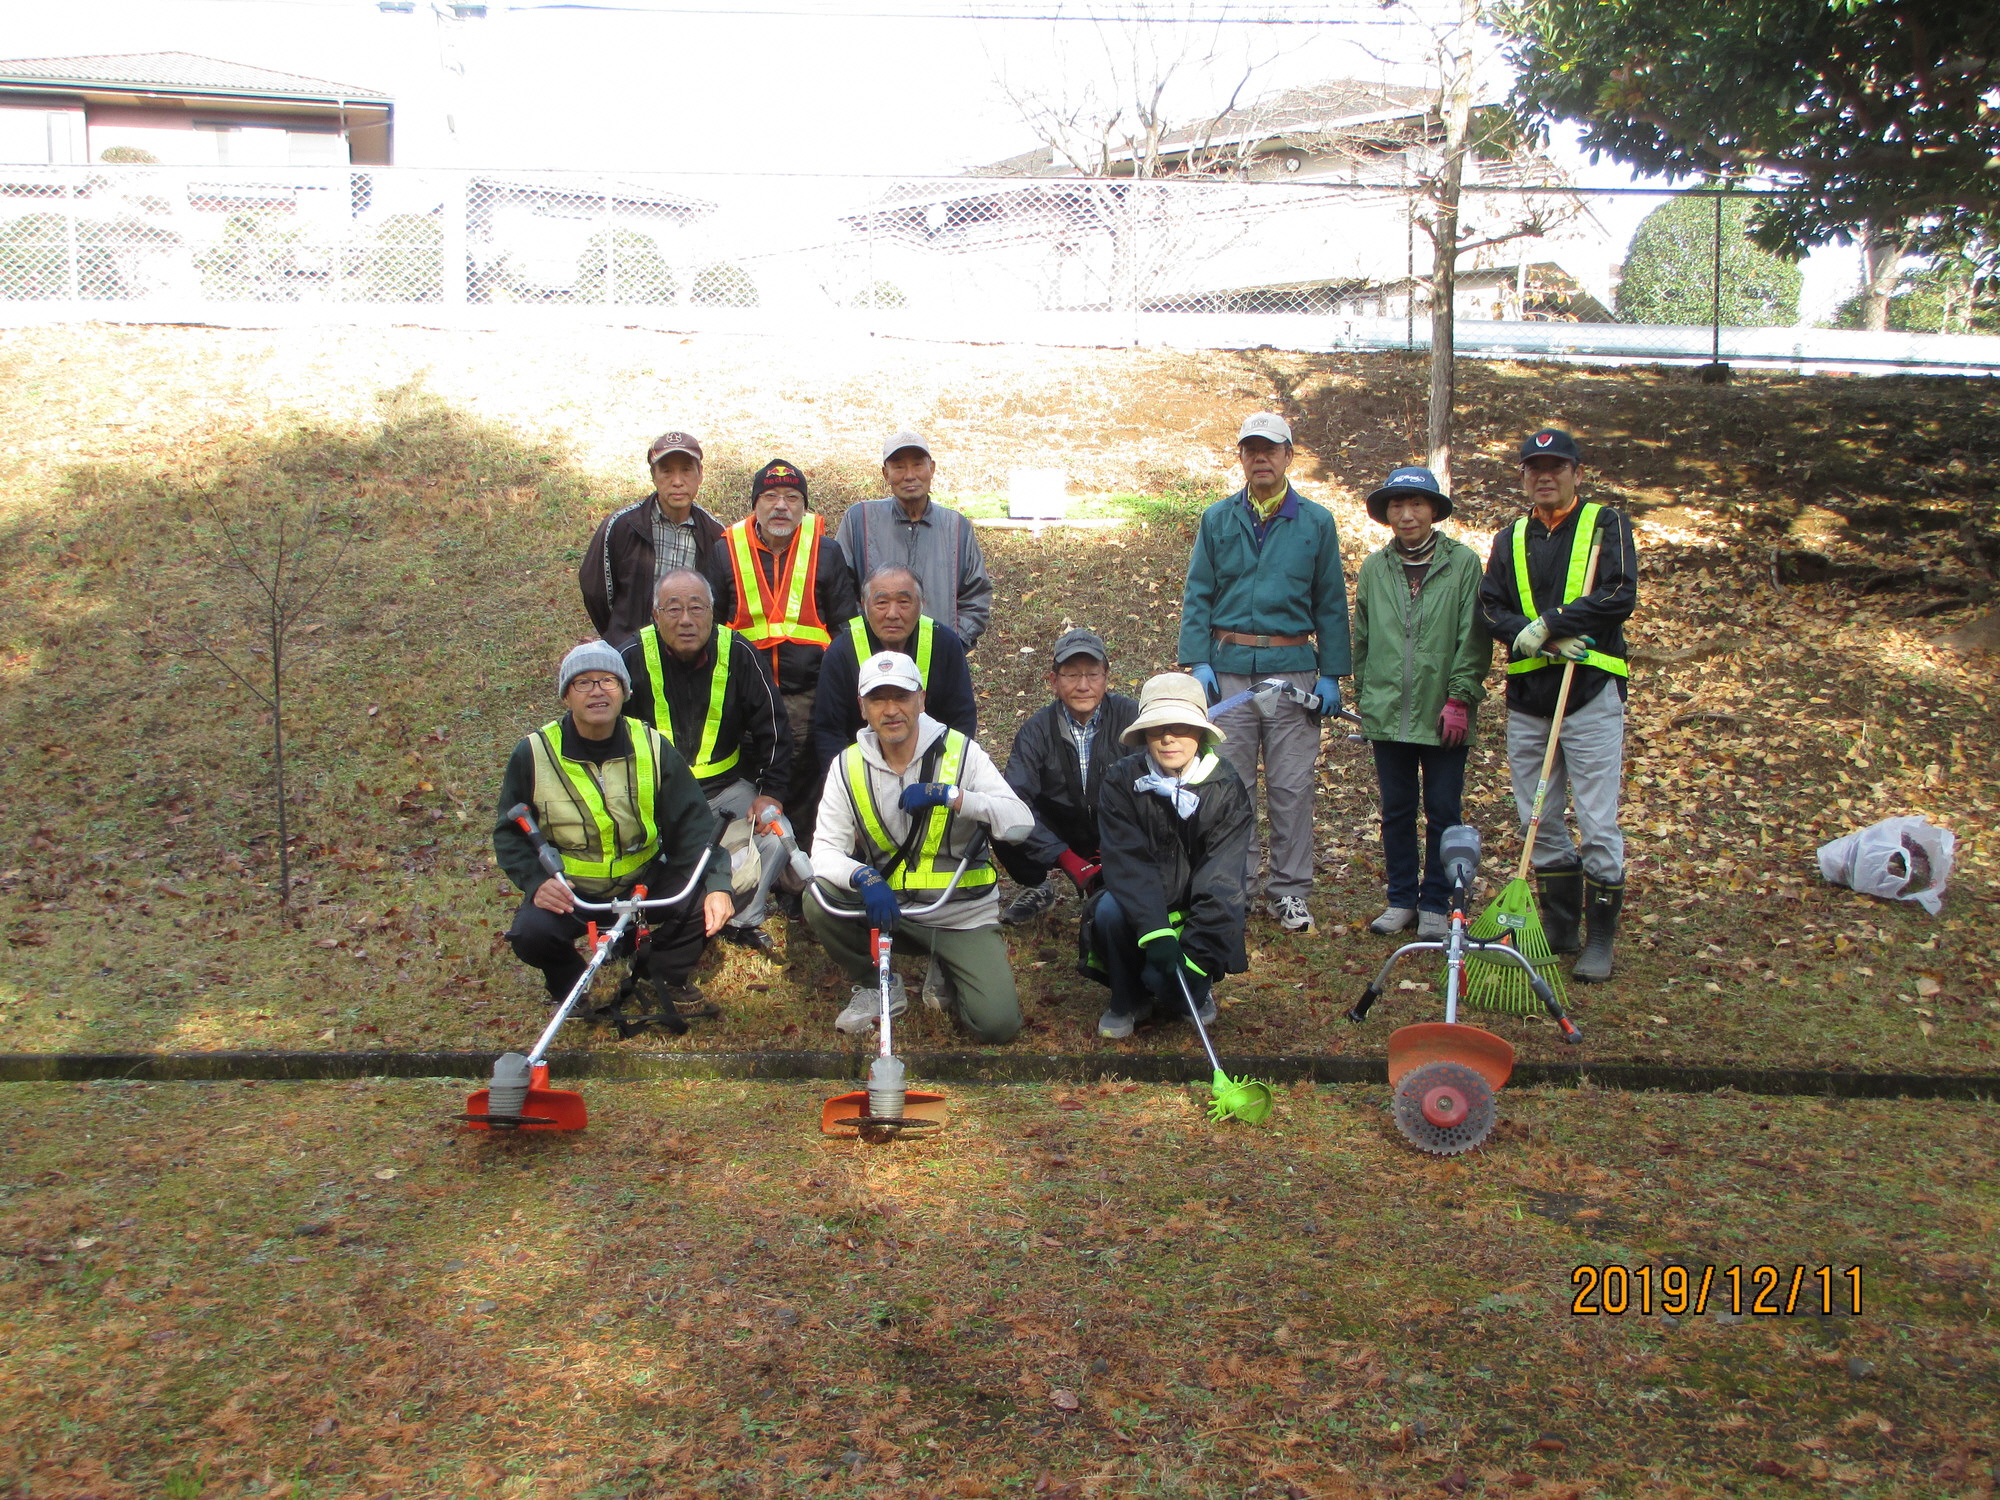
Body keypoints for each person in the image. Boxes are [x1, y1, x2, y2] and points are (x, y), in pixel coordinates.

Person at [493, 642, 734, 1027]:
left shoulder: (653, 746)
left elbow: (694, 826)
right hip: (571, 887)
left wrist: (719, 884)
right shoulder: (534, 753)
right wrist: (538, 882)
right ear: (566, 695)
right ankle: (569, 988)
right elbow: (510, 833)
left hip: (644, 880)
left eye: (607, 681)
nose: (597, 691)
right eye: (583, 683)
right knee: (530, 934)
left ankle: (664, 976)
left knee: (703, 902)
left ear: (624, 691)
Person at [1175, 411, 1352, 934]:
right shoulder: (1218, 519)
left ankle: (1291, 890)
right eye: (1250, 449)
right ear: (1241, 458)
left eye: (1270, 449)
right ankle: (1236, 885)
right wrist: (1199, 660)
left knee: (1291, 786)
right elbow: (1198, 593)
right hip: (1228, 672)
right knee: (1230, 785)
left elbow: (1331, 603)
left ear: (1288, 456)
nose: (1260, 458)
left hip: (1293, 671)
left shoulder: (1315, 522)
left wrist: (1331, 674)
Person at [1476, 428, 1638, 983]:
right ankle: (1561, 927)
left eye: (1556, 466)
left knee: (1596, 822)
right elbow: (1489, 609)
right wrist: (1536, 635)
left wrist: (1556, 622)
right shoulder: (1510, 537)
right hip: (1529, 699)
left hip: (1590, 693)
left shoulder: (1605, 524)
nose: (1545, 476)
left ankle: (1599, 941)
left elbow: (1619, 593)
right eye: (1533, 468)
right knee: (1536, 817)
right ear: (1523, 475)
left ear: (1576, 471)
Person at [805, 651, 1032, 1043]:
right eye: (878, 699)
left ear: (921, 700)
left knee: (996, 1026)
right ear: (863, 708)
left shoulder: (962, 752)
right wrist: (862, 876)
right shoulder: (846, 766)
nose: (891, 710)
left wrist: (955, 796)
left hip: (960, 914)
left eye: (902, 697)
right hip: (890, 909)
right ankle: (878, 984)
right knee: (817, 897)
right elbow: (823, 853)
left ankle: (948, 965)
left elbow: (1020, 824)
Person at [620, 569, 794, 959]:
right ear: (655, 613)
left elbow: (775, 730)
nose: (686, 620)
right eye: (674, 609)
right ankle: (657, 919)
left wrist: (770, 793)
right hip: (655, 798)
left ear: (713, 612)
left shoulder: (740, 653)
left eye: (697, 608)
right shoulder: (629, 657)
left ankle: (743, 919)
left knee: (777, 834)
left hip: (725, 792)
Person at [1351, 466, 1490, 941]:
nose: (1406, 515)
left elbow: (1474, 636)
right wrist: (1366, 697)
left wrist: (1461, 696)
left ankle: (1437, 902)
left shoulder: (1464, 564)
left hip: (1442, 708)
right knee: (1396, 810)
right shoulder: (1375, 567)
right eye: (1396, 505)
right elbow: (1364, 639)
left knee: (1444, 810)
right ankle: (1401, 899)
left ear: (1434, 510)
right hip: (1388, 710)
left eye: (1416, 504)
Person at [1085, 673, 1253, 1041]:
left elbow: (1222, 877)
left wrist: (1195, 956)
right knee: (1110, 910)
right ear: (1144, 734)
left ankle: (1193, 988)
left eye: (1181, 727)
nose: (1168, 738)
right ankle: (1126, 998)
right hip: (1142, 908)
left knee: (1178, 990)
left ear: (1201, 733)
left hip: (1196, 909)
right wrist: (1155, 930)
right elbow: (1126, 861)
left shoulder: (1226, 788)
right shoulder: (1120, 780)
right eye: (1157, 728)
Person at [710, 458, 858, 851]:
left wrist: (839, 691)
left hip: (808, 695)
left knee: (810, 788)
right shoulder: (724, 551)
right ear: (755, 504)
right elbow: (710, 627)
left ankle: (802, 875)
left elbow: (847, 627)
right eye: (770, 496)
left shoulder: (827, 552)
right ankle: (759, 869)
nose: (781, 506)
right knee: (751, 785)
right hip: (744, 699)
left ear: (804, 506)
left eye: (792, 497)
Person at [996, 628, 1140, 925]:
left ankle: (1126, 880)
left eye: (1093, 674)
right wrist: (1064, 856)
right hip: (1060, 829)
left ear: (1106, 677)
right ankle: (1037, 886)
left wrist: (1120, 837)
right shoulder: (1036, 730)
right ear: (1054, 681)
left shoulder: (1132, 718)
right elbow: (1013, 797)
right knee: (997, 813)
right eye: (1071, 675)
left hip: (1116, 830)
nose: (1083, 685)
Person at [833, 429, 992, 647]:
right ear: (885, 474)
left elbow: (976, 595)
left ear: (932, 469)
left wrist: (953, 643)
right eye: (899, 466)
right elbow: (840, 592)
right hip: (873, 662)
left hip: (939, 661)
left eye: (918, 464)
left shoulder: (956, 527)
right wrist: (865, 642)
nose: (909, 475)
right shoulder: (860, 520)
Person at [811, 565, 977, 771]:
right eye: (881, 603)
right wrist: (848, 781)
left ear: (922, 604)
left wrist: (943, 775)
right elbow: (828, 731)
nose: (892, 614)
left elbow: (962, 721)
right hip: (862, 771)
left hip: (934, 766)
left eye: (904, 602)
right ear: (864, 604)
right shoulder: (841, 651)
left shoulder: (945, 643)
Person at [580, 430, 725, 648]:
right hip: (631, 654)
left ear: (700, 474)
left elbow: (719, 603)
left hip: (689, 657)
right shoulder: (622, 526)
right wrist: (622, 636)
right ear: (653, 475)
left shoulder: (716, 535)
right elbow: (596, 593)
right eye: (666, 471)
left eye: (686, 470)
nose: (677, 481)